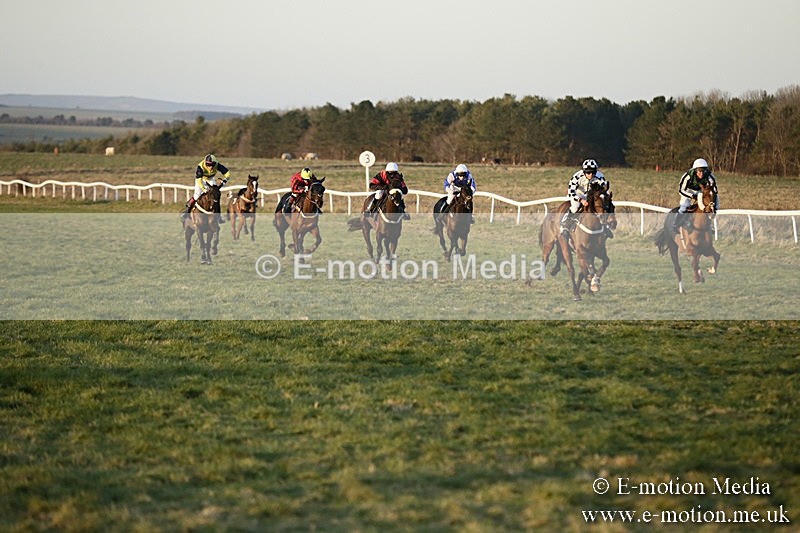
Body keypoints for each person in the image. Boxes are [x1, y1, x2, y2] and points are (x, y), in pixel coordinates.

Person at [560, 159, 612, 237]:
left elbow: (604, 190)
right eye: (588, 172)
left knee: (601, 207)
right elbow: (571, 192)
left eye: (593, 172)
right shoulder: (576, 177)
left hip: (592, 196)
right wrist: (581, 200)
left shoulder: (600, 176)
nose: (590, 174)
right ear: (584, 172)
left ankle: (606, 227)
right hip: (578, 195)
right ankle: (565, 225)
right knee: (575, 207)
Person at [181, 154, 231, 223]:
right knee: (197, 195)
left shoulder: (217, 165)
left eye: (212, 165)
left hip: (210, 179)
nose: (210, 167)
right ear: (205, 163)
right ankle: (187, 212)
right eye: (208, 164)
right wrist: (203, 189)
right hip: (201, 179)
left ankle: (219, 216)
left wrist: (225, 180)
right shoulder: (200, 166)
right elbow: (199, 180)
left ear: (215, 163)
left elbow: (227, 173)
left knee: (216, 196)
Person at [673, 158, 719, 232]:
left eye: (703, 171)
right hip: (688, 191)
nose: (702, 173)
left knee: (714, 204)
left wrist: (710, 197)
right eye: (699, 171)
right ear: (695, 170)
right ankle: (676, 223)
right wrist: (692, 196)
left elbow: (714, 189)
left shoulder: (710, 176)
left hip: (701, 190)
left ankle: (709, 224)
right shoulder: (687, 176)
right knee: (684, 205)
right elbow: (681, 190)